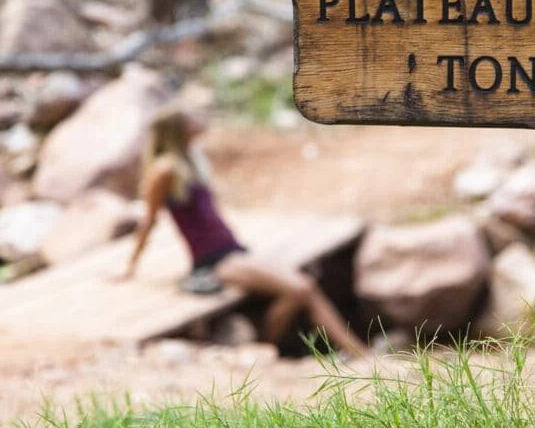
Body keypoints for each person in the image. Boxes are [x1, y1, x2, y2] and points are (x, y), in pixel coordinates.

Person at [116, 104, 368, 358]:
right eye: (190, 120)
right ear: (177, 130)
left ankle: (268, 343)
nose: (198, 122)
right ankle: (356, 354)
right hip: (215, 260)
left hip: (233, 250)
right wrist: (131, 265)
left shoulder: (190, 160)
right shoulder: (165, 169)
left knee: (302, 287)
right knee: (303, 288)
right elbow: (149, 220)